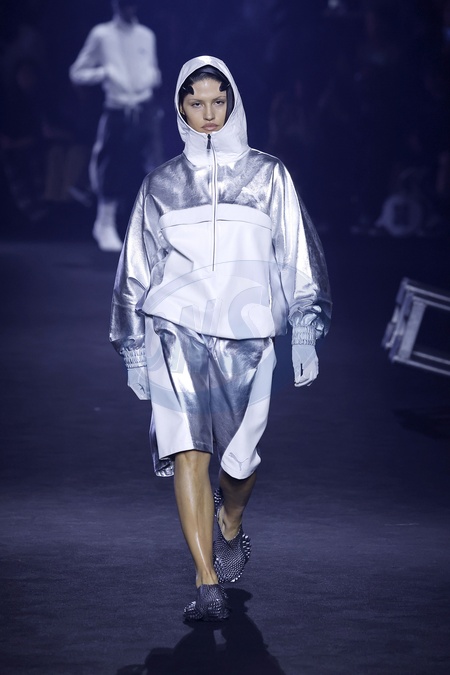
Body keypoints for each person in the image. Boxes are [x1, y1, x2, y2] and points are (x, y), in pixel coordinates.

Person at [109, 56, 332, 621]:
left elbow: (297, 255)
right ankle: (206, 582)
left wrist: (305, 330)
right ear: (180, 109)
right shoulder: (160, 184)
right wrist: (133, 349)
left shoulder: (268, 175)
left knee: (238, 461)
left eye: (217, 101)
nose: (208, 114)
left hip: (249, 333)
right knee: (188, 449)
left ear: (231, 103)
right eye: (195, 103)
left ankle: (230, 519)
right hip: (174, 327)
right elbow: (135, 269)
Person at [69, 0, 161, 252]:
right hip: (117, 109)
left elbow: (153, 68)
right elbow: (77, 72)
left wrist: (151, 77)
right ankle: (104, 223)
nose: (128, 8)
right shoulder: (102, 34)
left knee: (153, 165)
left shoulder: (146, 35)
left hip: (144, 109)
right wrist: (105, 73)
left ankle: (154, 227)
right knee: (110, 167)